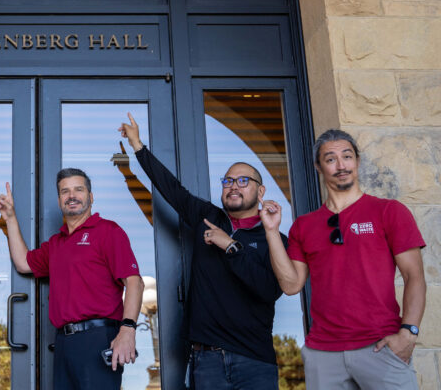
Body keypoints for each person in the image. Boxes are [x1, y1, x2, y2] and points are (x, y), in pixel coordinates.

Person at [119, 113, 286, 389]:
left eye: (243, 181)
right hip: (206, 361)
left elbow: (269, 290)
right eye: (228, 181)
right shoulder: (208, 216)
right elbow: (171, 189)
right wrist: (138, 146)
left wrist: (231, 247)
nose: (233, 186)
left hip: (254, 362)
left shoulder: (274, 238)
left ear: (261, 191)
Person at [261, 129, 426, 389]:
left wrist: (409, 333)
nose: (341, 165)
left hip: (380, 346)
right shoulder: (304, 226)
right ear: (319, 166)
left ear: (357, 162)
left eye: (347, 156)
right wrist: (271, 232)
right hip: (323, 354)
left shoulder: (389, 212)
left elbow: (414, 276)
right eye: (330, 159)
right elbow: (291, 285)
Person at [0, 169, 144, 390]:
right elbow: (23, 263)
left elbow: (134, 282)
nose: (71, 195)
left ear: (91, 197)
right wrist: (10, 218)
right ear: (59, 201)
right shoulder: (57, 244)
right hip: (64, 343)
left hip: (98, 339)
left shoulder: (108, 231)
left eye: (78, 189)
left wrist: (127, 330)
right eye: (65, 191)